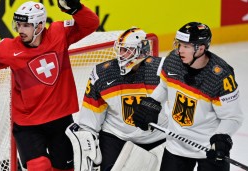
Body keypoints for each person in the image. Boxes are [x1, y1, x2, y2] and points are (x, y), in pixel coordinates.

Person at [0, 0, 99, 170]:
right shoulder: (7, 48)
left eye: (26, 25)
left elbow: (91, 24)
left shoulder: (59, 33)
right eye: (18, 24)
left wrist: (76, 8)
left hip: (60, 120)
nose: (20, 30)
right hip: (28, 124)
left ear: (40, 25)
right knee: (39, 166)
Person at [135, 22, 244, 171]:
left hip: (208, 149)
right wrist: (152, 102)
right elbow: (164, 85)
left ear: (200, 48)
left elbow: (232, 117)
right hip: (176, 145)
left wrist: (221, 138)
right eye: (179, 45)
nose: (179, 50)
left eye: (185, 46)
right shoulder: (172, 61)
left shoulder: (220, 76)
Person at [67, 27, 168, 171]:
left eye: (127, 50)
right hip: (117, 137)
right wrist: (88, 142)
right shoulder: (103, 74)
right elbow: (89, 121)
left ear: (141, 50)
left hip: (157, 138)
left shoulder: (163, 70)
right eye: (120, 49)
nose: (121, 55)